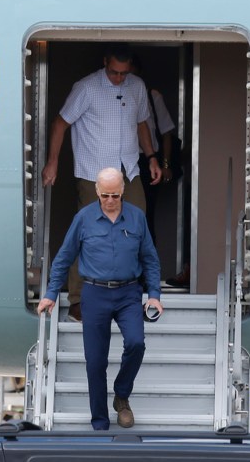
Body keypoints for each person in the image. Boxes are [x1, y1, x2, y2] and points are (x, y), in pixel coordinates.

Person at [42, 44, 162, 322]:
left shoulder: (137, 86)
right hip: (93, 172)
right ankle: (77, 301)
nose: (119, 78)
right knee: (87, 234)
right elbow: (60, 123)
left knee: (137, 228)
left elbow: (142, 123)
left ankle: (134, 293)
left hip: (129, 170)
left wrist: (152, 157)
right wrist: (53, 162)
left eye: (123, 73)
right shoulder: (86, 88)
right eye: (113, 72)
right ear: (105, 62)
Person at [37, 167, 164, 430]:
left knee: (137, 343)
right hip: (94, 294)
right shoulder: (83, 219)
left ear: (123, 191)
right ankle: (100, 423)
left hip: (129, 293)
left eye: (115, 196)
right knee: (95, 361)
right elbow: (63, 257)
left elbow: (150, 259)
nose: (109, 201)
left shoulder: (137, 218)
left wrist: (154, 295)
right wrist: (51, 294)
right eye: (105, 195)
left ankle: (121, 394)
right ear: (96, 191)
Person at [131, 54, 177, 245]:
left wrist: (164, 163)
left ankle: (147, 272)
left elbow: (166, 132)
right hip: (121, 160)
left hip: (148, 161)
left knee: (146, 214)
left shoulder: (152, 95)